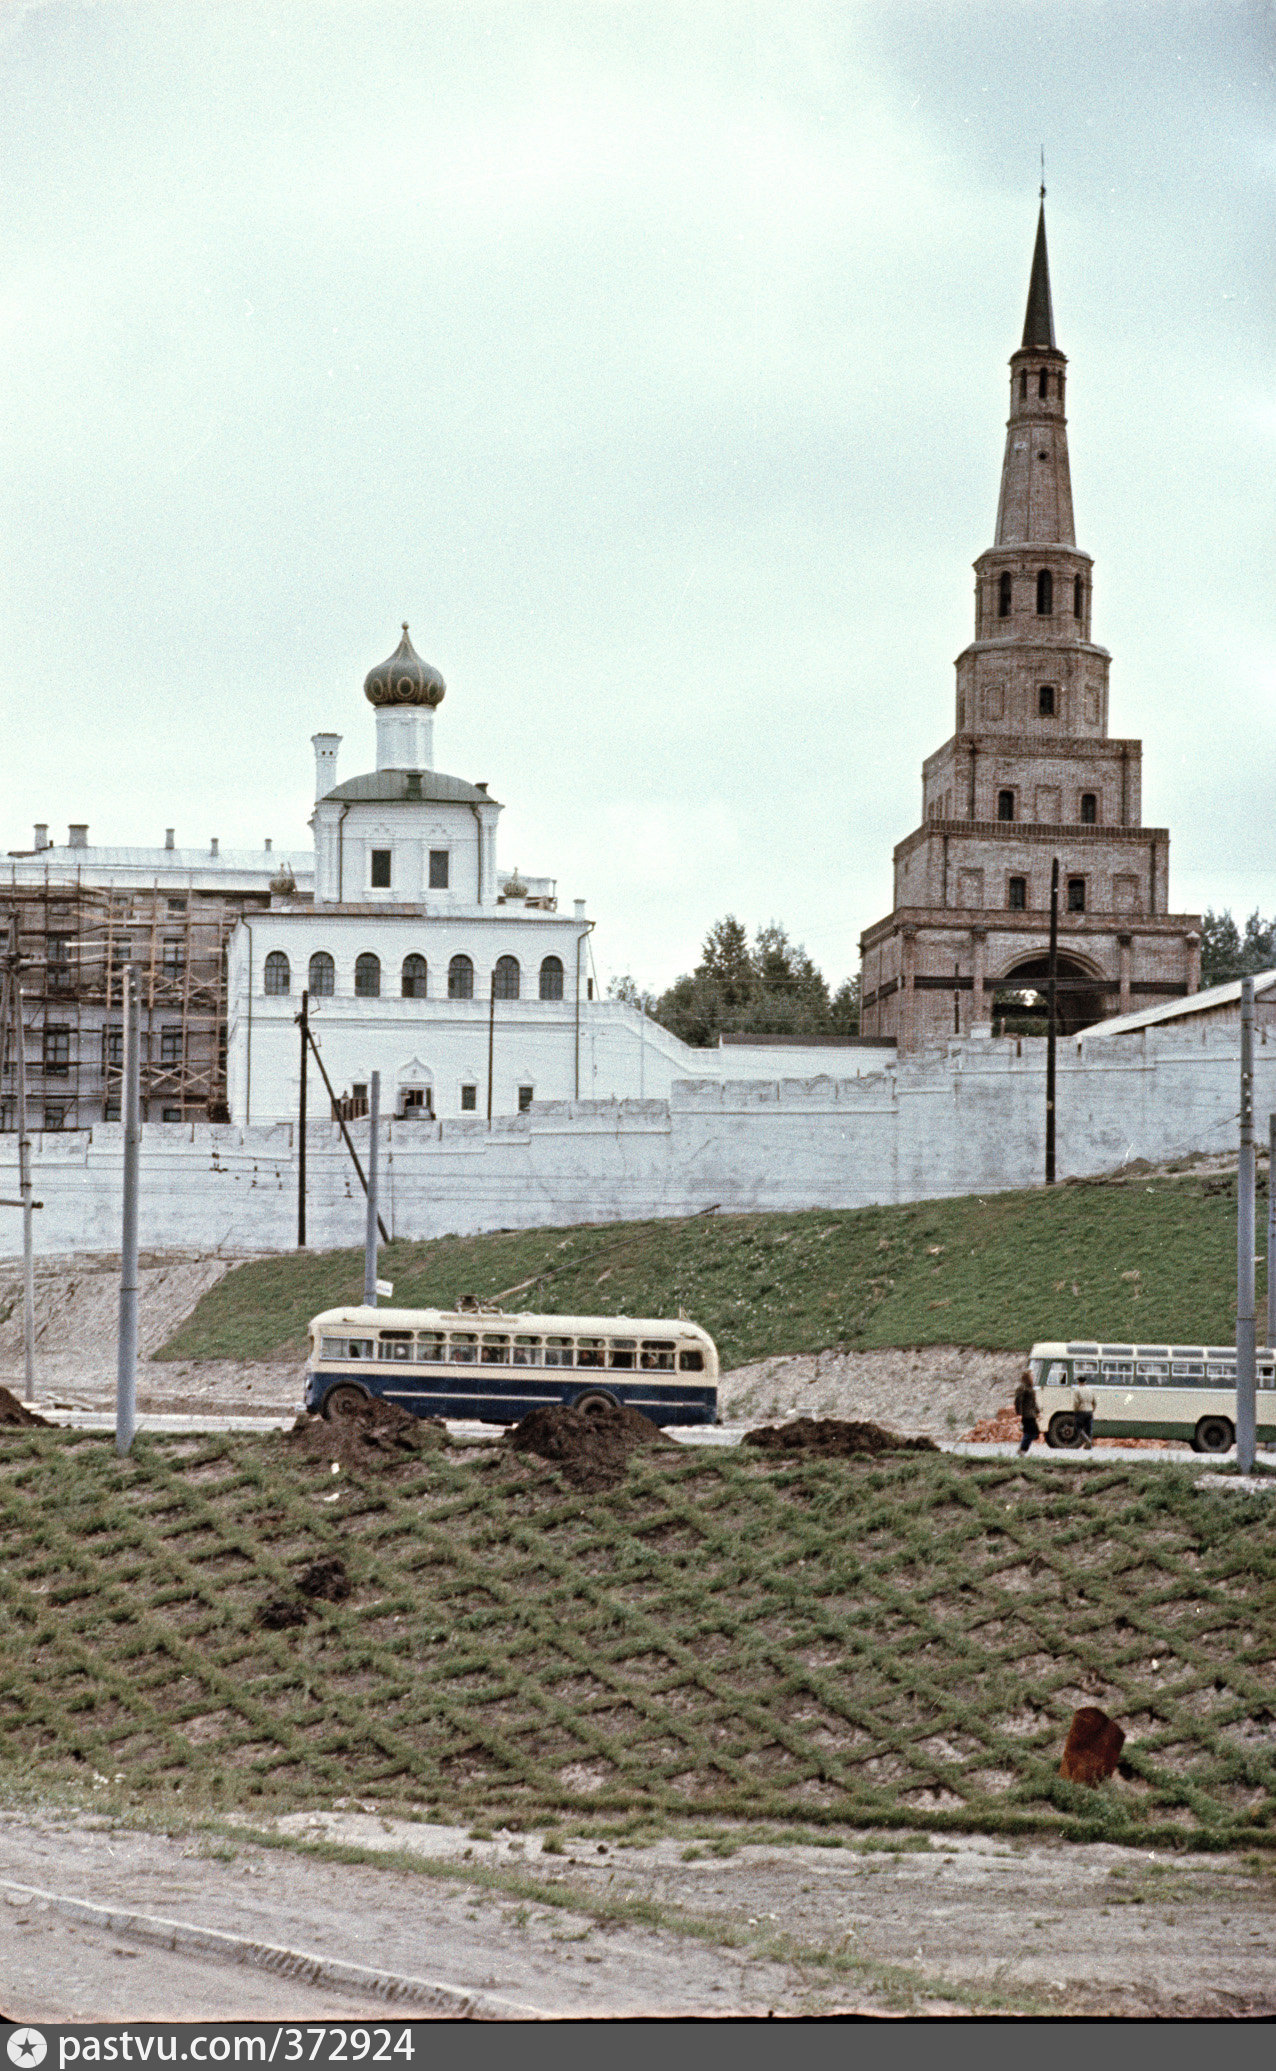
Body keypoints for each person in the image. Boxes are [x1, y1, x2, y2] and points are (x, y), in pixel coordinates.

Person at [1014, 1366, 1040, 1453]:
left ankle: (1023, 1449)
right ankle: (1022, 1449)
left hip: (1031, 1413)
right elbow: (1018, 1401)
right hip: (1026, 1414)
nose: (1033, 1377)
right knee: (1030, 1432)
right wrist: (1019, 1413)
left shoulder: (1030, 1388)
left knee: (1034, 1433)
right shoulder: (1022, 1388)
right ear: (1027, 1377)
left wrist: (1038, 1411)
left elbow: (1033, 1402)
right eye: (1031, 1375)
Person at [1072, 1373, 1096, 1449]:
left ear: (1079, 1382)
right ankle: (1088, 1445)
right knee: (1089, 1429)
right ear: (1085, 1382)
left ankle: (1087, 1441)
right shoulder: (1090, 1390)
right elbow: (1095, 1402)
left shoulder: (1077, 1390)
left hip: (1081, 1411)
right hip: (1089, 1411)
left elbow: (1076, 1402)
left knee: (1078, 1427)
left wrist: (1075, 1410)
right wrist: (1092, 1410)